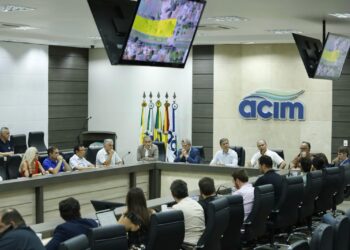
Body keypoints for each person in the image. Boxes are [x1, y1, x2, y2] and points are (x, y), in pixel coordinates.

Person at [170, 179, 205, 245]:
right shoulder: (196, 204)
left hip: (187, 244)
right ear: (186, 191)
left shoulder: (176, 208)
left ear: (172, 194)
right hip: (201, 243)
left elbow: (172, 231)